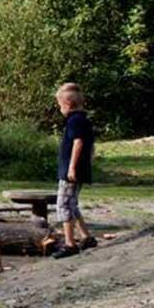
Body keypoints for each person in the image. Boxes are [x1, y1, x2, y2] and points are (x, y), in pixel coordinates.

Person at [52, 82, 97, 258]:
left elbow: (78, 143)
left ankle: (70, 243)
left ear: (68, 104)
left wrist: (72, 167)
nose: (59, 108)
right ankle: (86, 237)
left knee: (63, 205)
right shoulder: (83, 120)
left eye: (60, 105)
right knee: (72, 204)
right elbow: (91, 145)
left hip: (71, 171)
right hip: (77, 169)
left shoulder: (75, 121)